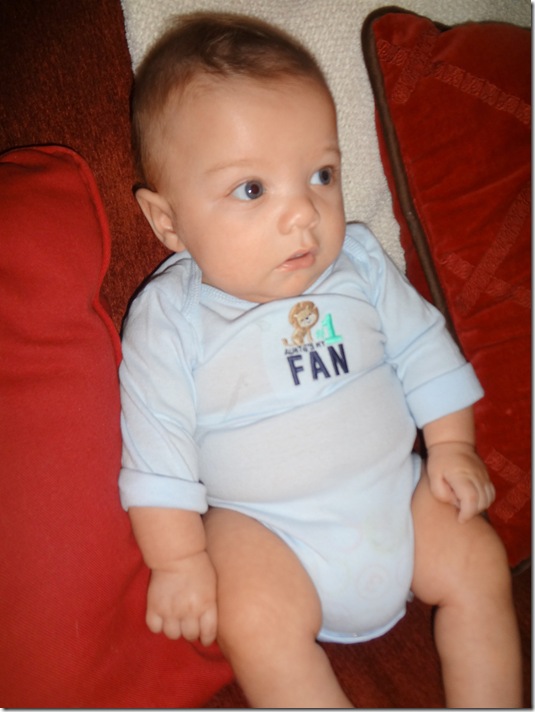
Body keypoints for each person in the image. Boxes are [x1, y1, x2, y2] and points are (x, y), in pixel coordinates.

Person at [119, 11, 522, 708]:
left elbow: (424, 350)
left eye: (321, 174)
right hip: (269, 534)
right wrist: (178, 561)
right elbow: (157, 449)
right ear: (168, 221)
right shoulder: (169, 319)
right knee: (252, 617)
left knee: (478, 562)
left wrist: (452, 446)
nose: (303, 212)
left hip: (398, 495)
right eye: (252, 189)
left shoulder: (358, 262)